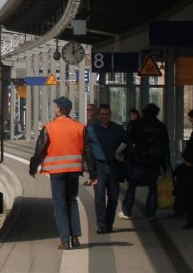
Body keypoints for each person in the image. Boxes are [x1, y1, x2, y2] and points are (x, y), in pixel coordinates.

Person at [29, 96, 97, 249]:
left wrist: (33, 168)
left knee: (60, 205)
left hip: (57, 172)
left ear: (59, 109)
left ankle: (65, 240)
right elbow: (88, 152)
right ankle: (75, 237)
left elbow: (40, 150)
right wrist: (93, 173)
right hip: (73, 171)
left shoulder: (50, 128)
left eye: (56, 107)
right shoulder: (80, 127)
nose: (55, 109)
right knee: (72, 202)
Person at [89, 103, 128, 233]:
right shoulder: (92, 130)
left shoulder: (118, 129)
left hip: (114, 167)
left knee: (113, 196)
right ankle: (101, 225)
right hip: (99, 166)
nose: (105, 116)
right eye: (102, 114)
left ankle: (109, 223)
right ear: (98, 115)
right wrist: (90, 170)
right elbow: (87, 150)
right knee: (99, 197)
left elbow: (127, 145)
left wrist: (123, 156)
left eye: (107, 114)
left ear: (110, 115)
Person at [127, 103, 171, 220]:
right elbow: (165, 146)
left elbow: (130, 140)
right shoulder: (161, 126)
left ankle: (127, 211)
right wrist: (166, 165)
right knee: (152, 187)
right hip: (155, 161)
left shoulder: (138, 124)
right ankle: (150, 213)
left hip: (139, 160)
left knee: (132, 185)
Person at [119, 108, 141, 219]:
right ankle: (151, 212)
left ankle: (126, 209)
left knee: (132, 185)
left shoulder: (134, 127)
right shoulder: (131, 125)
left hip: (133, 159)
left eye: (134, 114)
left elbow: (127, 140)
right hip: (138, 159)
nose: (133, 116)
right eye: (131, 114)